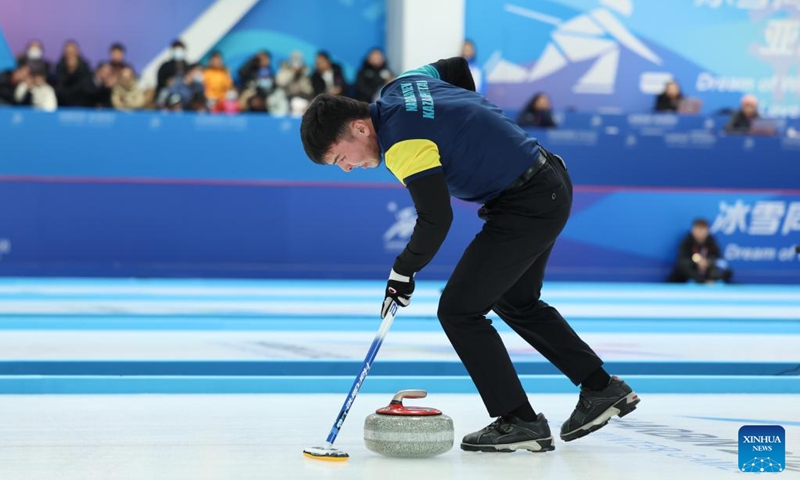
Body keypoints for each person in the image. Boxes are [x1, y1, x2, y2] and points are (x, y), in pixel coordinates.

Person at [300, 57, 640, 453]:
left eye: (342, 158)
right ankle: (601, 388)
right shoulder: (402, 85)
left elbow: (436, 218)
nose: (347, 168)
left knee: (458, 311)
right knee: (516, 301)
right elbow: (456, 66)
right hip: (548, 181)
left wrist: (402, 271)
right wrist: (475, 124)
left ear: (359, 127)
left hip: (525, 203)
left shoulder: (402, 145)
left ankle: (520, 420)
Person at [668, 218, 732, 283]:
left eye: (703, 229)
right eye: (698, 229)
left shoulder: (711, 241)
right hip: (693, 269)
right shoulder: (686, 241)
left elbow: (718, 258)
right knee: (682, 267)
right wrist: (696, 262)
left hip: (707, 268)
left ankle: (710, 280)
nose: (700, 232)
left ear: (707, 231)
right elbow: (682, 259)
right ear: (693, 230)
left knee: (727, 271)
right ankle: (702, 281)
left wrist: (708, 262)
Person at [54, 40, 94, 107]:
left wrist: (75, 70)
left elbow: (87, 87)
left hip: (82, 102)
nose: (70, 55)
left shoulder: (85, 66)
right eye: (68, 52)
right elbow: (60, 85)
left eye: (72, 52)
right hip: (63, 103)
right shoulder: (60, 66)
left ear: (77, 53)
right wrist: (70, 70)